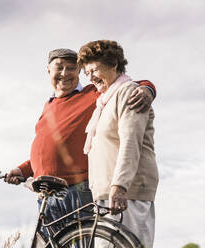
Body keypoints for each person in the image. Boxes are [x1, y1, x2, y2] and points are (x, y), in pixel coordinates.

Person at [5, 48, 156, 234]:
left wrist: (148, 88)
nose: (64, 73)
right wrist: (23, 170)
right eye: (59, 68)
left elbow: (122, 84)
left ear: (78, 72)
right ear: (48, 70)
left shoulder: (92, 94)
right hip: (47, 196)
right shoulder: (48, 105)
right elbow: (48, 149)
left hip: (77, 190)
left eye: (71, 68)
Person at [77, 40, 159, 248]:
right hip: (107, 195)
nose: (91, 77)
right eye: (87, 73)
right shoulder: (104, 101)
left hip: (126, 194)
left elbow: (130, 142)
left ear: (113, 63)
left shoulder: (129, 93)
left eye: (94, 69)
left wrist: (119, 186)